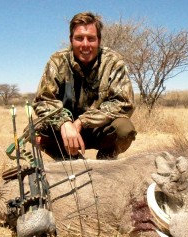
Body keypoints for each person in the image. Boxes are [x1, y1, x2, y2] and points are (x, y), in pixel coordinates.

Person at [33, 11, 136, 159]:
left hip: (99, 129)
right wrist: (64, 123)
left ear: (99, 40)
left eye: (91, 39)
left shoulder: (114, 62)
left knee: (125, 129)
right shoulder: (57, 61)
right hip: (65, 132)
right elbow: (43, 101)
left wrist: (82, 121)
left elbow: (124, 103)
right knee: (34, 131)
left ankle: (106, 161)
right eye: (79, 38)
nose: (85, 44)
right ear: (71, 40)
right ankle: (72, 161)